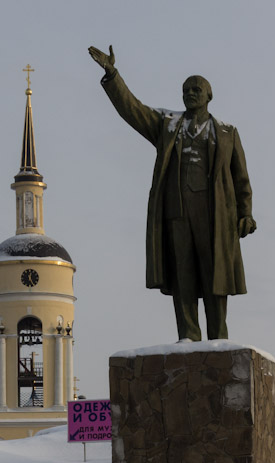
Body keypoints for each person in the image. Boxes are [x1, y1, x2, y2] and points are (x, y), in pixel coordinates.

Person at [88, 45, 256, 342]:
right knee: (182, 276)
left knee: (215, 278)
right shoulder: (167, 125)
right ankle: (188, 338)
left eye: (196, 89)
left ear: (209, 96)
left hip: (214, 216)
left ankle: (219, 341)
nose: (190, 94)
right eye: (186, 90)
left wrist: (246, 214)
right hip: (177, 214)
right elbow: (133, 110)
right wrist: (113, 75)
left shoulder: (227, 133)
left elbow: (241, 178)